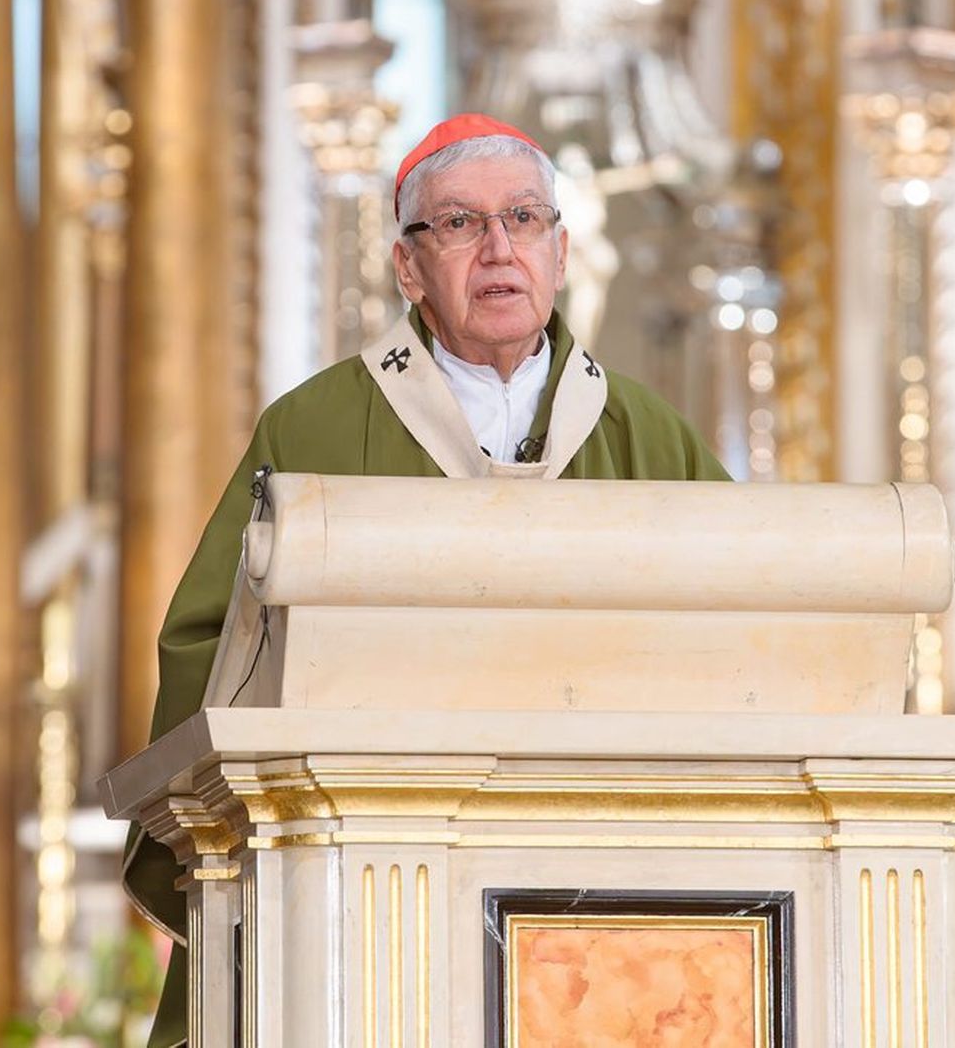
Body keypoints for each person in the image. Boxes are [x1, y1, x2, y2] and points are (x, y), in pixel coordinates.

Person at [125, 112, 729, 1046]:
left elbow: (750, 619)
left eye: (524, 218)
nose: (498, 247)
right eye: (458, 223)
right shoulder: (315, 430)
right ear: (408, 268)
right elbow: (211, 648)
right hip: (366, 875)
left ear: (561, 253)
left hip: (603, 878)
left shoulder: (648, 436)